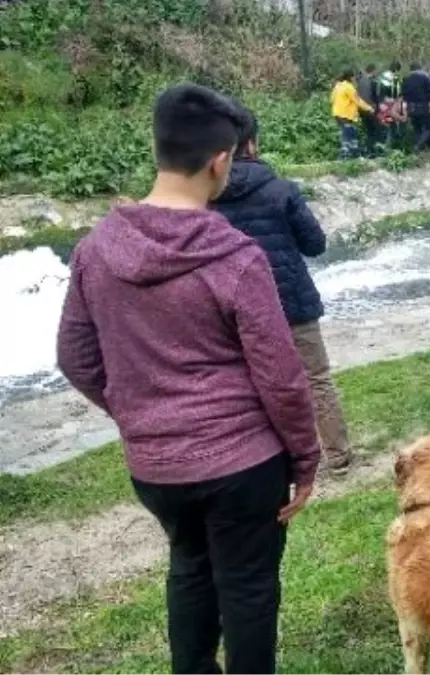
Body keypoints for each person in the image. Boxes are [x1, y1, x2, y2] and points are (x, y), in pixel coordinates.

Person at [56, 84, 320, 674]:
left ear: (158, 147)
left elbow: (75, 357)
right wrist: (305, 461)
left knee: (190, 569)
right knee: (248, 589)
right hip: (243, 466)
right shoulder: (235, 257)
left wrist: (138, 412)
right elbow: (281, 376)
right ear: (221, 160)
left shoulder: (94, 251)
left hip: (157, 468)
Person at [211, 107, 354, 474]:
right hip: (293, 302)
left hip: (238, 310)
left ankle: (272, 462)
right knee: (316, 378)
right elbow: (315, 244)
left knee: (255, 386)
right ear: (253, 144)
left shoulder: (205, 200)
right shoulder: (281, 189)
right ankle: (337, 456)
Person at [332, 69, 373, 160]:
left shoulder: (338, 85)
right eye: (354, 77)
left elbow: (332, 99)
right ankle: (343, 157)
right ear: (351, 77)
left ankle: (355, 155)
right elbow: (357, 100)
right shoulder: (349, 87)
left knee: (351, 134)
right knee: (347, 135)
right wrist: (369, 108)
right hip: (345, 114)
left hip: (337, 114)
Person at [401, 62, 430, 152]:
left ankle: (419, 148)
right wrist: (428, 99)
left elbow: (403, 93)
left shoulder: (406, 79)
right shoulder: (423, 78)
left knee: (417, 128)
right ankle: (418, 146)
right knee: (428, 127)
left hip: (410, 106)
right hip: (422, 106)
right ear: (419, 69)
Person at [356, 64, 385, 156]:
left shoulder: (360, 81)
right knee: (376, 131)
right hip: (371, 109)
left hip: (361, 109)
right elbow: (376, 97)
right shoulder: (372, 82)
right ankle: (375, 152)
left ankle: (368, 151)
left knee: (368, 131)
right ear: (373, 71)